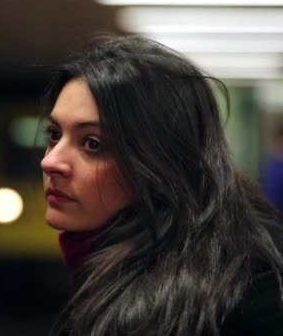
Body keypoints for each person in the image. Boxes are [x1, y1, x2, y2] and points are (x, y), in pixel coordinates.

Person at [40, 35, 283, 336]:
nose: (50, 162)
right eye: (53, 135)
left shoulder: (254, 290)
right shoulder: (104, 262)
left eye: (92, 143)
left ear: (160, 162)